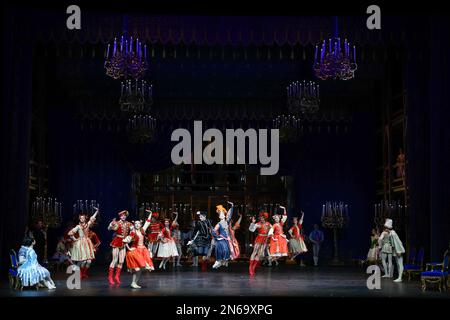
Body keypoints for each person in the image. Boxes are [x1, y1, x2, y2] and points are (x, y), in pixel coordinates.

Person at [124, 210, 154, 289]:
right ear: (134, 225)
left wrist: (150, 214)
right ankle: (133, 283)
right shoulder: (133, 232)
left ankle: (134, 283)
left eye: (138, 223)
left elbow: (147, 222)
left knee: (140, 269)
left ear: (140, 225)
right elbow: (126, 240)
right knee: (137, 269)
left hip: (143, 250)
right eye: (136, 223)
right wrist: (129, 248)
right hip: (136, 250)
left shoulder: (142, 230)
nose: (137, 225)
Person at [67, 208, 98, 279]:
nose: (81, 219)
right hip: (81, 243)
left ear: (85, 219)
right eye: (80, 218)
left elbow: (92, 218)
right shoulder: (78, 226)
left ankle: (84, 273)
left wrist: (97, 211)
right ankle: (80, 273)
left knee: (89, 261)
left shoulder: (87, 224)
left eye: (83, 218)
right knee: (83, 261)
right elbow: (70, 233)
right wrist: (75, 239)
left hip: (87, 243)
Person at [107, 210, 133, 285]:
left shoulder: (129, 223)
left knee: (121, 261)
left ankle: (117, 276)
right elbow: (109, 229)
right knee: (115, 260)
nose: (123, 216)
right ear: (120, 216)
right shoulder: (117, 223)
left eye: (124, 215)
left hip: (124, 241)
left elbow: (133, 230)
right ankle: (110, 277)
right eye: (122, 216)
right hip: (117, 241)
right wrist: (111, 224)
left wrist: (130, 236)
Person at [211, 201, 234, 269]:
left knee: (226, 251)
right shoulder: (219, 224)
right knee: (221, 249)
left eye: (222, 213)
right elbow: (214, 231)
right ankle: (218, 261)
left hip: (227, 239)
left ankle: (222, 261)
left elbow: (230, 215)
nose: (221, 215)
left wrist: (232, 206)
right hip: (221, 239)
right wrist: (217, 237)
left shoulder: (227, 221)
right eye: (220, 214)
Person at [248, 211, 272, 276]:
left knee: (260, 254)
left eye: (263, 217)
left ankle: (253, 267)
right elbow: (251, 229)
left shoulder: (268, 224)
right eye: (261, 217)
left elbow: (272, 231)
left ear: (265, 218)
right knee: (254, 252)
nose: (261, 219)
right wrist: (253, 223)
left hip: (265, 239)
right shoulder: (258, 224)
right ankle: (250, 267)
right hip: (259, 238)